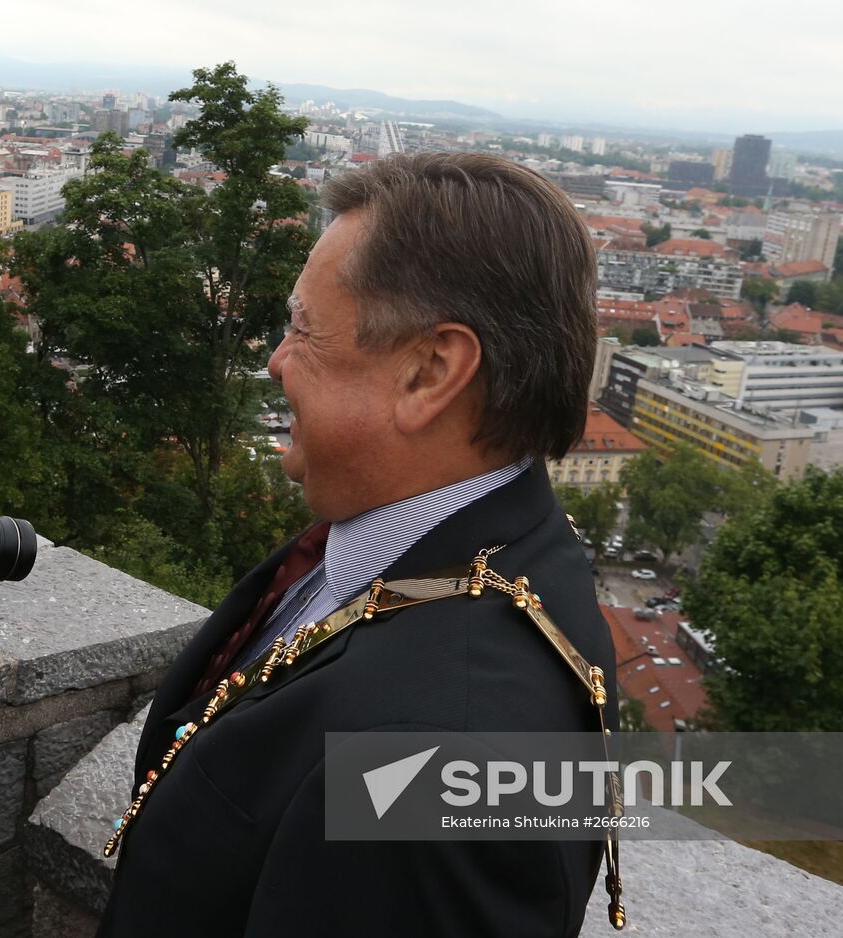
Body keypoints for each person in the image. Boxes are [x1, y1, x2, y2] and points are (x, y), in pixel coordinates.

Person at [99, 153, 617, 936]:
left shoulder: (435, 768)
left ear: (430, 372)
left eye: (303, 329)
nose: (275, 362)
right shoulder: (445, 537)